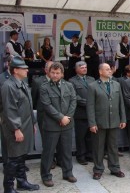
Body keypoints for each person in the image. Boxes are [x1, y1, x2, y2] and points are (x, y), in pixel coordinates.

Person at [1, 56, 39, 192]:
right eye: (24, 68)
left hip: (25, 125)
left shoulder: (22, 82)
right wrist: (16, 129)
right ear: (15, 70)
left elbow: (28, 105)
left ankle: (22, 182)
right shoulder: (8, 86)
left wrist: (33, 123)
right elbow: (9, 109)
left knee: (22, 155)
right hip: (15, 127)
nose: (27, 70)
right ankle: (8, 187)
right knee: (13, 158)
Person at [87, 63, 126, 180]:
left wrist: (123, 118)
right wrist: (92, 123)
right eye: (107, 69)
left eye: (110, 69)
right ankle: (98, 169)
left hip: (114, 120)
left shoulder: (116, 85)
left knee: (113, 146)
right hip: (99, 122)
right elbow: (90, 106)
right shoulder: (93, 86)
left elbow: (121, 103)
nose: (110, 71)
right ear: (100, 72)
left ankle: (115, 168)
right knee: (98, 147)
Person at [40, 62, 77, 187]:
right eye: (53, 73)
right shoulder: (44, 87)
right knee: (48, 152)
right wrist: (61, 117)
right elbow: (47, 105)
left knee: (67, 151)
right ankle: (46, 176)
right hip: (52, 126)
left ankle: (68, 173)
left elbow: (73, 101)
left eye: (57, 73)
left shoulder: (69, 85)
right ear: (49, 73)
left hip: (67, 124)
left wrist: (67, 117)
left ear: (62, 74)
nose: (55, 75)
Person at [69, 61, 95, 165]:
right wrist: (89, 103)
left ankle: (89, 154)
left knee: (90, 135)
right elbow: (74, 97)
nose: (84, 69)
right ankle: (81, 156)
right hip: (80, 113)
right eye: (82, 67)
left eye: (85, 67)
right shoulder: (72, 81)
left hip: (91, 113)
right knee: (81, 136)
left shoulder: (91, 79)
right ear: (76, 69)